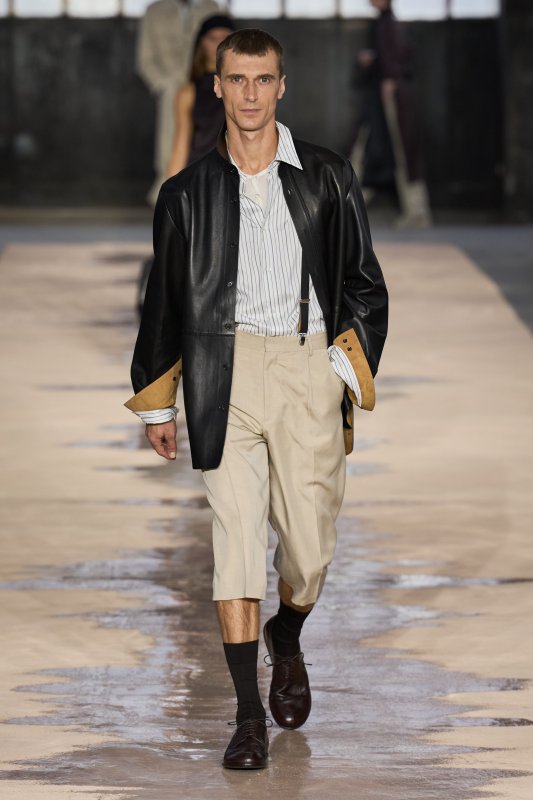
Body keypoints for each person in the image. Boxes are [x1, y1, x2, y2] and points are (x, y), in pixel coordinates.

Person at [125, 29, 388, 769]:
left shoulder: (327, 176)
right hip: (225, 373)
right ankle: (247, 718)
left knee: (309, 549)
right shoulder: (186, 195)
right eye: (236, 79)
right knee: (236, 544)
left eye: (262, 79)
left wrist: (339, 370)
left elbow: (364, 284)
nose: (249, 94)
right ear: (216, 85)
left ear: (281, 85)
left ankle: (287, 633)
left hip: (308, 368)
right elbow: (164, 301)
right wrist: (158, 400)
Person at [349, 0, 432, 228]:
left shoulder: (389, 25)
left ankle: (417, 212)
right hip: (377, 98)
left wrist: (391, 78)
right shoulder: (380, 24)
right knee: (363, 148)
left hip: (390, 96)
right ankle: (345, 211)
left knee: (402, 150)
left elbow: (401, 57)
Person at [136, 0, 219, 207]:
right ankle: (170, 196)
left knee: (210, 138)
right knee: (172, 141)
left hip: (208, 85)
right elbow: (145, 59)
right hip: (172, 88)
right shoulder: (154, 11)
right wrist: (163, 85)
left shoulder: (211, 8)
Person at [166, 15, 235, 177]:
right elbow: (181, 145)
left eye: (224, 38)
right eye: (212, 38)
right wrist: (169, 189)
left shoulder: (247, 87)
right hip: (200, 177)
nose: (219, 43)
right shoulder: (188, 93)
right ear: (202, 43)